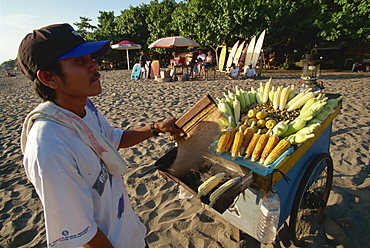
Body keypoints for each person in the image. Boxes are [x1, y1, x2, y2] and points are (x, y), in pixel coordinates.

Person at [17, 23, 184, 248]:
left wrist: (156, 128)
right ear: (49, 77)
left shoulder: (83, 109)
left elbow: (111, 139)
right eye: (80, 61)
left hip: (130, 235)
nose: (94, 66)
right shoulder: (50, 147)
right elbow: (81, 236)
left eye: (91, 58)